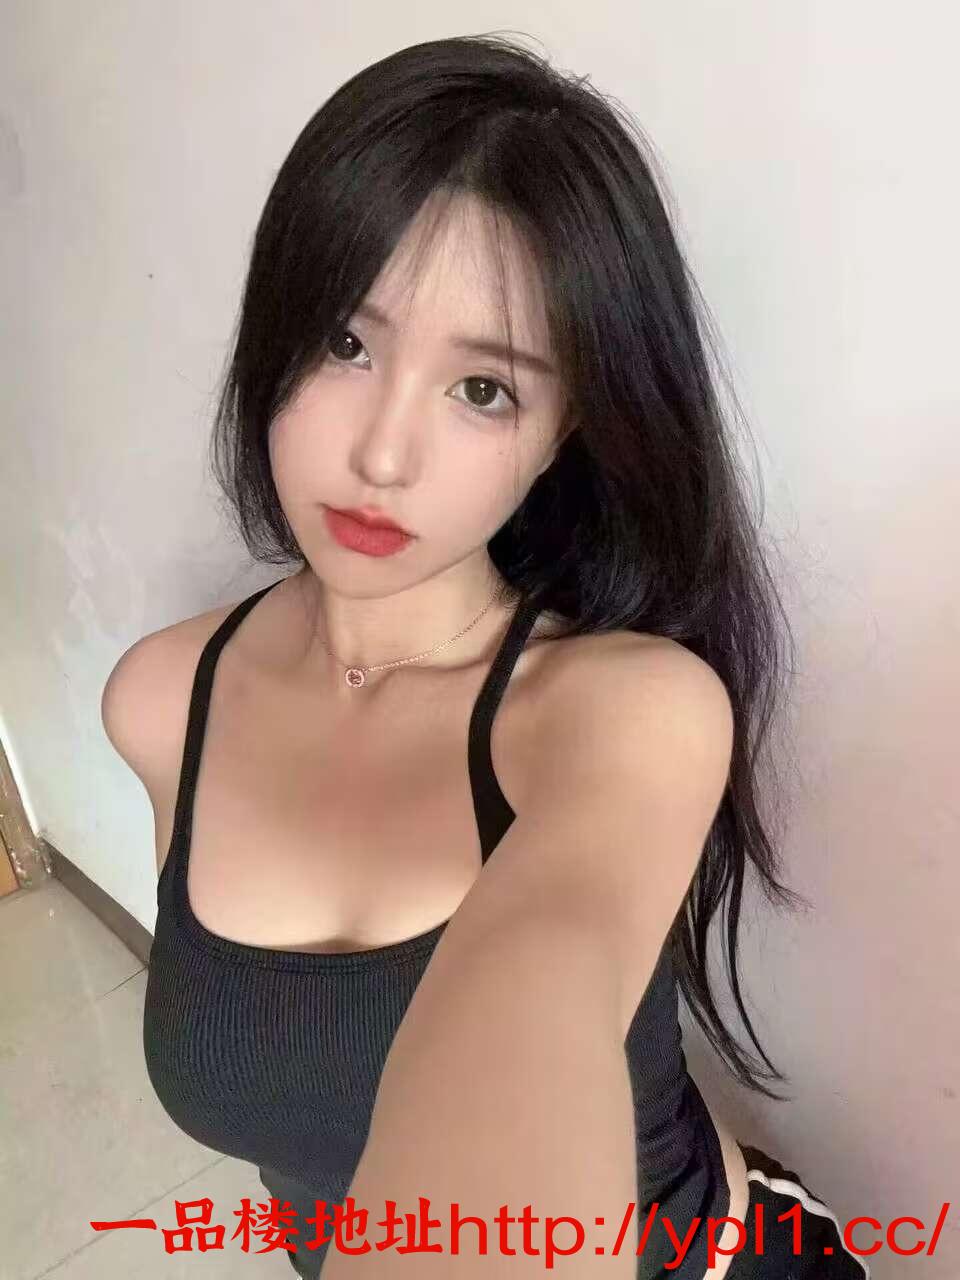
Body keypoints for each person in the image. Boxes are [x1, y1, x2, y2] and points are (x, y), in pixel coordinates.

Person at [102, 32, 869, 1280]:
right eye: (346, 343)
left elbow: (539, 985)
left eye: (484, 390)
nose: (383, 454)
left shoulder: (628, 715)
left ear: (568, 429)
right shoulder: (161, 700)